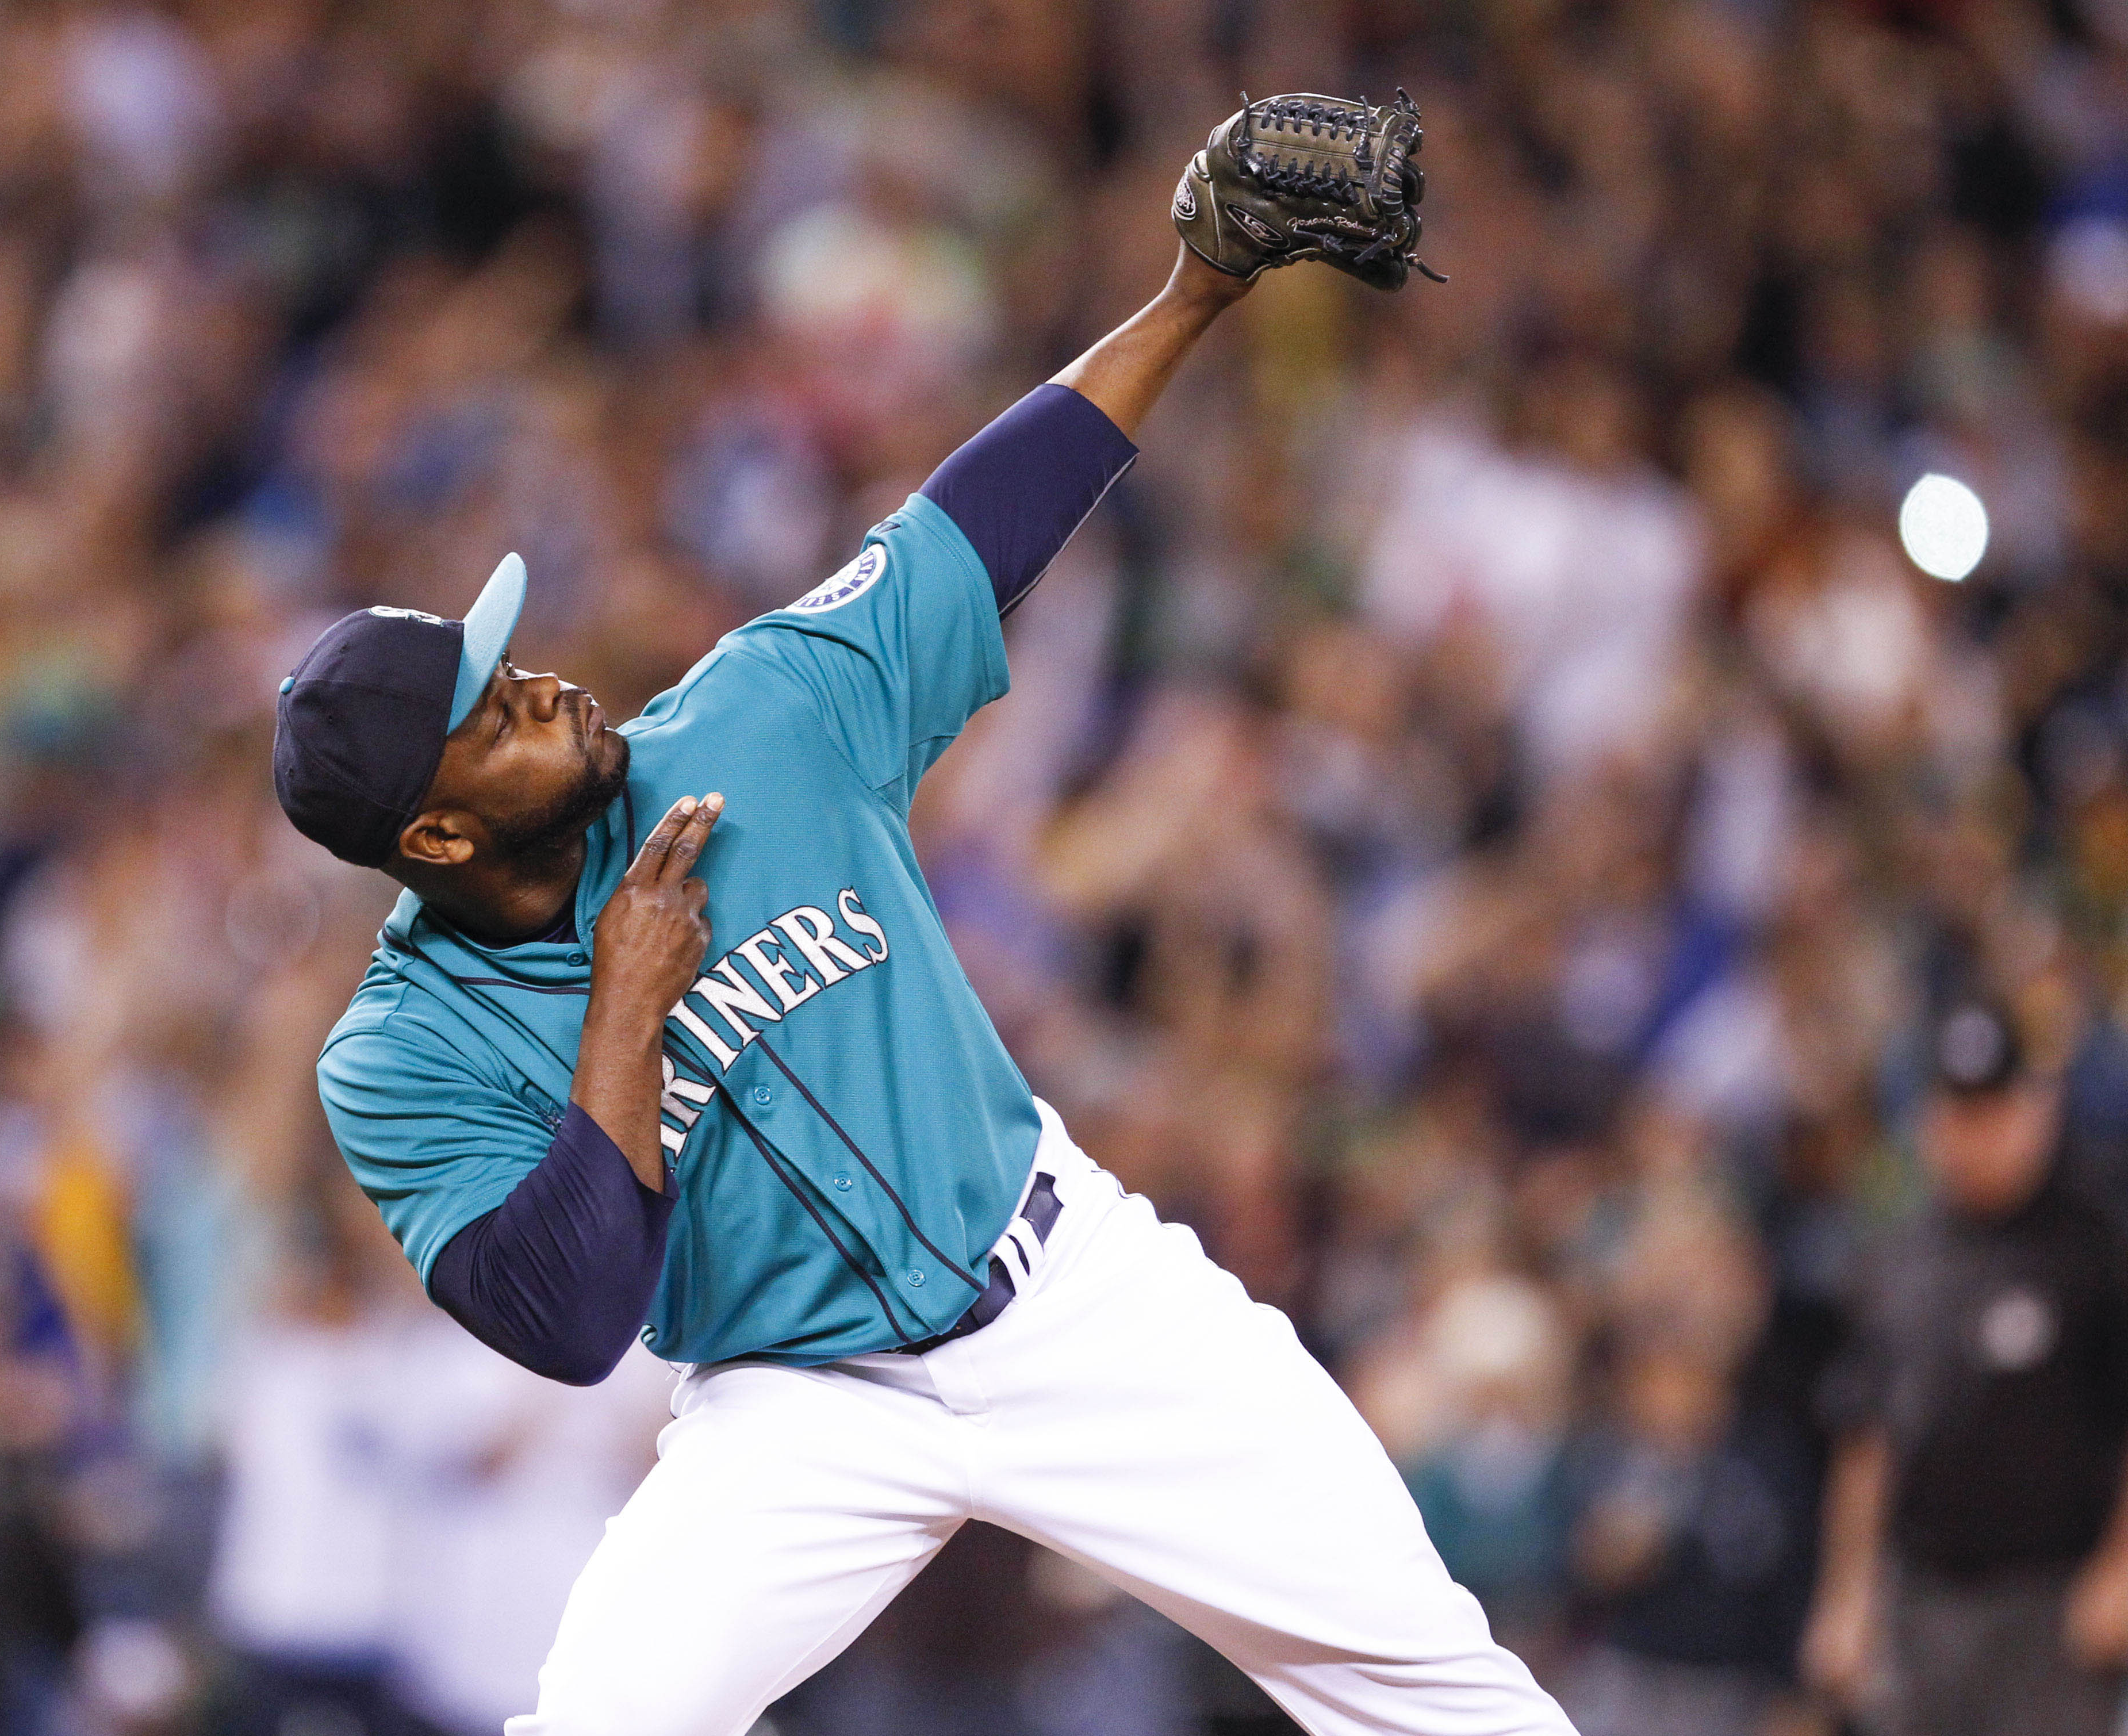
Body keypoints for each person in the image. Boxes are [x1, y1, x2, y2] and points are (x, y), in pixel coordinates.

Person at [274, 107, 1575, 1736]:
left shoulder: (750, 718)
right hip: (800, 1411)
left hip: (1071, 1296)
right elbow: (572, 1320)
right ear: (439, 831)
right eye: (494, 713)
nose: (540, 681)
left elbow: (973, 530)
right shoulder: (397, 1054)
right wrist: (622, 1017)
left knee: (1439, 1688)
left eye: (506, 659)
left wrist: (1194, 292)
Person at [1801, 996, 2128, 1736]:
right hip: (1921, 1594)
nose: (1973, 1138)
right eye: (1955, 1114)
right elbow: (1865, 1434)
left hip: (2051, 1595)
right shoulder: (1899, 1253)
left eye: (1993, 1113)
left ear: (2037, 1108)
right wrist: (1847, 1595)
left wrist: (2120, 1568)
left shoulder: (2097, 1240)